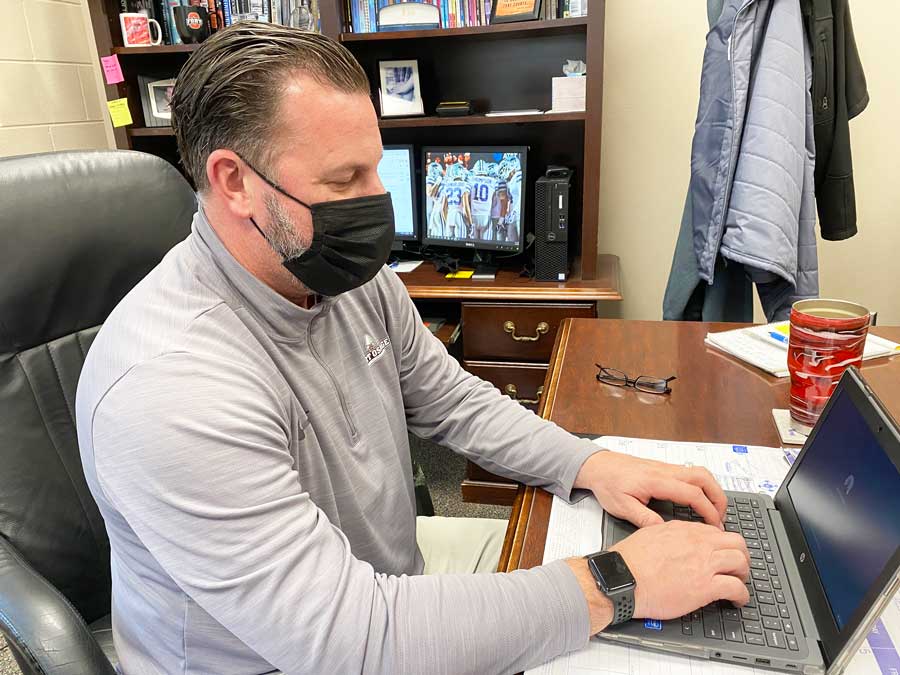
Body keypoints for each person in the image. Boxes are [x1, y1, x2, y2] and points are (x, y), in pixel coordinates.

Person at [75, 22, 750, 675]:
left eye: (376, 167)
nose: (380, 202)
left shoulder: (343, 278)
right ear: (235, 182)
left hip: (387, 583)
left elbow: (454, 402)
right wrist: (620, 581)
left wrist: (591, 463)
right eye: (345, 180)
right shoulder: (168, 387)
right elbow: (350, 640)